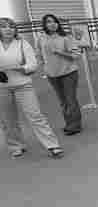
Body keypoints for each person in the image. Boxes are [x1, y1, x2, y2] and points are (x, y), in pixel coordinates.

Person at [0, 17, 64, 158]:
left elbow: (32, 64)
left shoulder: (22, 43)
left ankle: (52, 145)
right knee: (7, 119)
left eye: (11, 26)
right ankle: (16, 146)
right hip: (2, 87)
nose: (8, 29)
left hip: (23, 85)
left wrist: (22, 68)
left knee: (35, 116)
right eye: (4, 27)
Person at [35, 14, 82, 136]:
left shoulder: (66, 36)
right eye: (49, 22)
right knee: (62, 101)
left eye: (55, 21)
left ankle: (75, 125)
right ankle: (68, 123)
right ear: (44, 25)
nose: (52, 24)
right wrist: (43, 68)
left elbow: (77, 55)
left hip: (69, 72)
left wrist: (60, 53)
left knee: (70, 99)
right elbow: (39, 54)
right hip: (52, 74)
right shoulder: (41, 38)